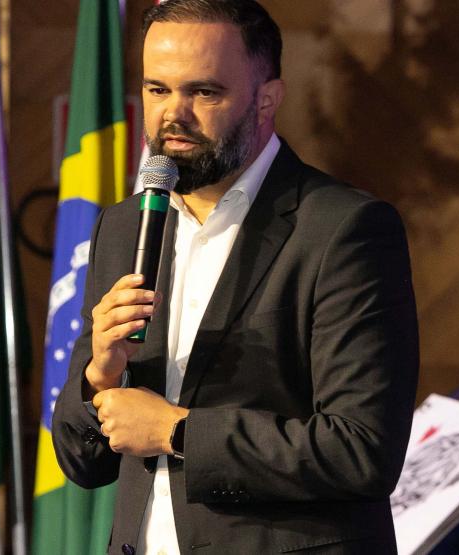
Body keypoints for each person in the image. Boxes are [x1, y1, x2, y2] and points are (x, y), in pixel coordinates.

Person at [51, 1, 419, 553]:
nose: (173, 115)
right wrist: (98, 378)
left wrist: (178, 432)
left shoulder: (343, 230)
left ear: (267, 98)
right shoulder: (126, 226)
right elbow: (83, 462)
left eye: (203, 92)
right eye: (157, 90)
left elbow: (361, 450)